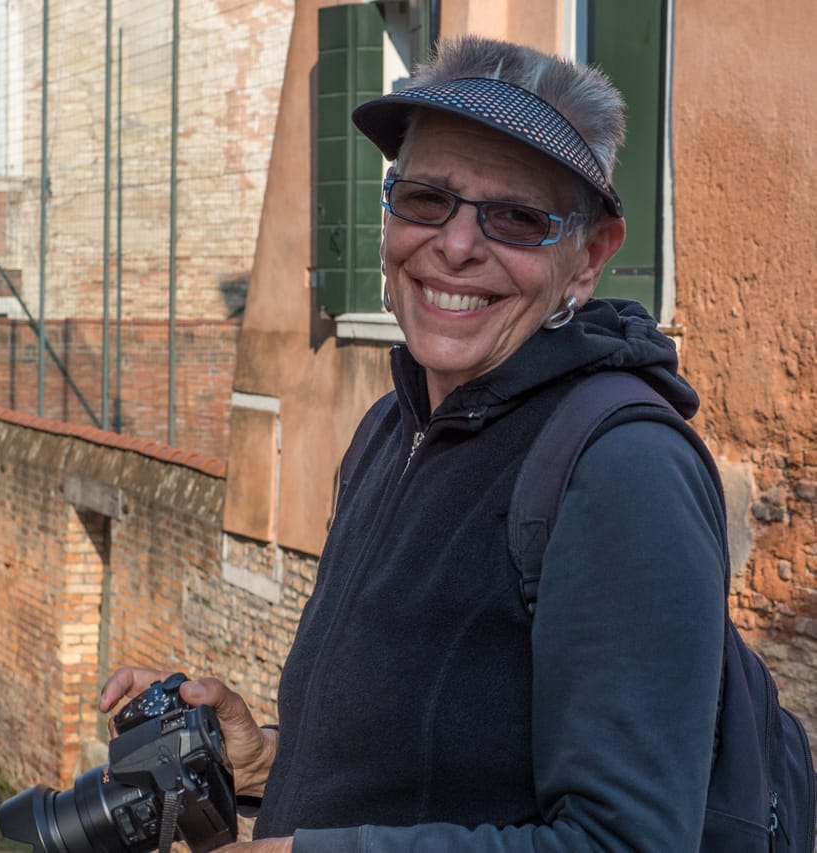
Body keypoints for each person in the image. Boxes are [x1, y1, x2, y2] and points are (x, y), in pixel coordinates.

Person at [101, 34, 727, 852]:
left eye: (516, 217)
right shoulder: (391, 427)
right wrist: (260, 766)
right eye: (426, 198)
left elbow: (626, 842)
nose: (457, 245)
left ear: (587, 259)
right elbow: (437, 777)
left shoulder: (621, 470)